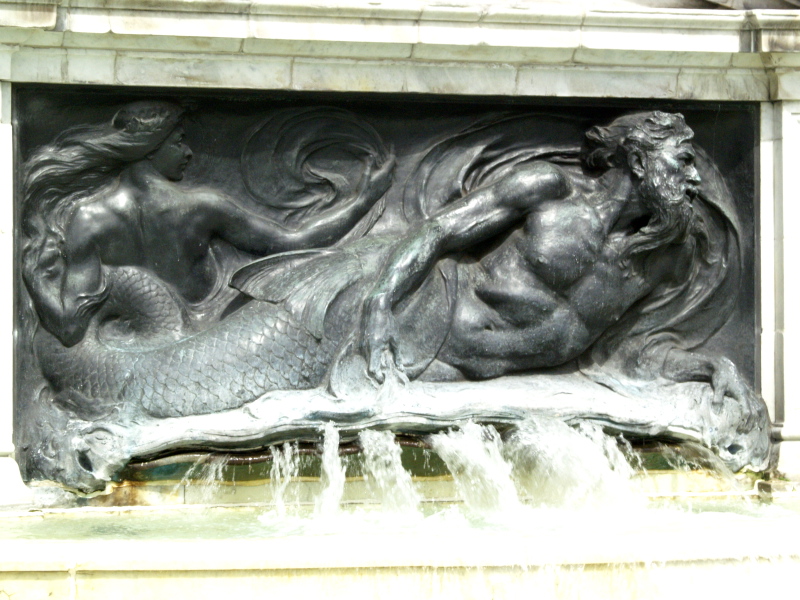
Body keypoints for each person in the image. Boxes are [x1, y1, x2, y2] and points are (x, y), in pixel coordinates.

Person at [354, 111, 764, 429]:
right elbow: (440, 230)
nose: (693, 178)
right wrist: (380, 301)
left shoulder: (660, 258)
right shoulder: (549, 190)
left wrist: (712, 367)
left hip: (494, 391)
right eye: (684, 161)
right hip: (422, 339)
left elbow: (631, 354)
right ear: (639, 160)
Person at [21, 101, 393, 347]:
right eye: (179, 142)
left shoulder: (87, 220)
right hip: (209, 340)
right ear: (149, 148)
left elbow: (70, 329)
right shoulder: (201, 206)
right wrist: (363, 198)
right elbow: (295, 240)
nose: (188, 153)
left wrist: (36, 281)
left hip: (135, 348)